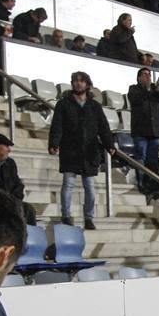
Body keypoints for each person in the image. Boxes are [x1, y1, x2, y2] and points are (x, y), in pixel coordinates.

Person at [48, 71, 114, 230]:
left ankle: (89, 218)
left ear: (87, 84)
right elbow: (57, 125)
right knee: (68, 184)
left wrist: (109, 145)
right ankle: (66, 215)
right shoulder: (63, 104)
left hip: (89, 152)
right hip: (70, 149)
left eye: (81, 81)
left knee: (90, 188)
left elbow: (103, 128)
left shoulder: (95, 106)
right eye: (75, 80)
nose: (78, 83)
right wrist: (54, 143)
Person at [126, 66, 159, 194]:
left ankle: (152, 183)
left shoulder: (155, 89)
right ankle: (141, 183)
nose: (148, 76)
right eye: (145, 74)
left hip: (154, 130)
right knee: (141, 156)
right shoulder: (133, 89)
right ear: (139, 77)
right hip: (140, 130)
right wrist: (148, 89)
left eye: (149, 74)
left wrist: (158, 89)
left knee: (152, 159)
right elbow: (135, 99)